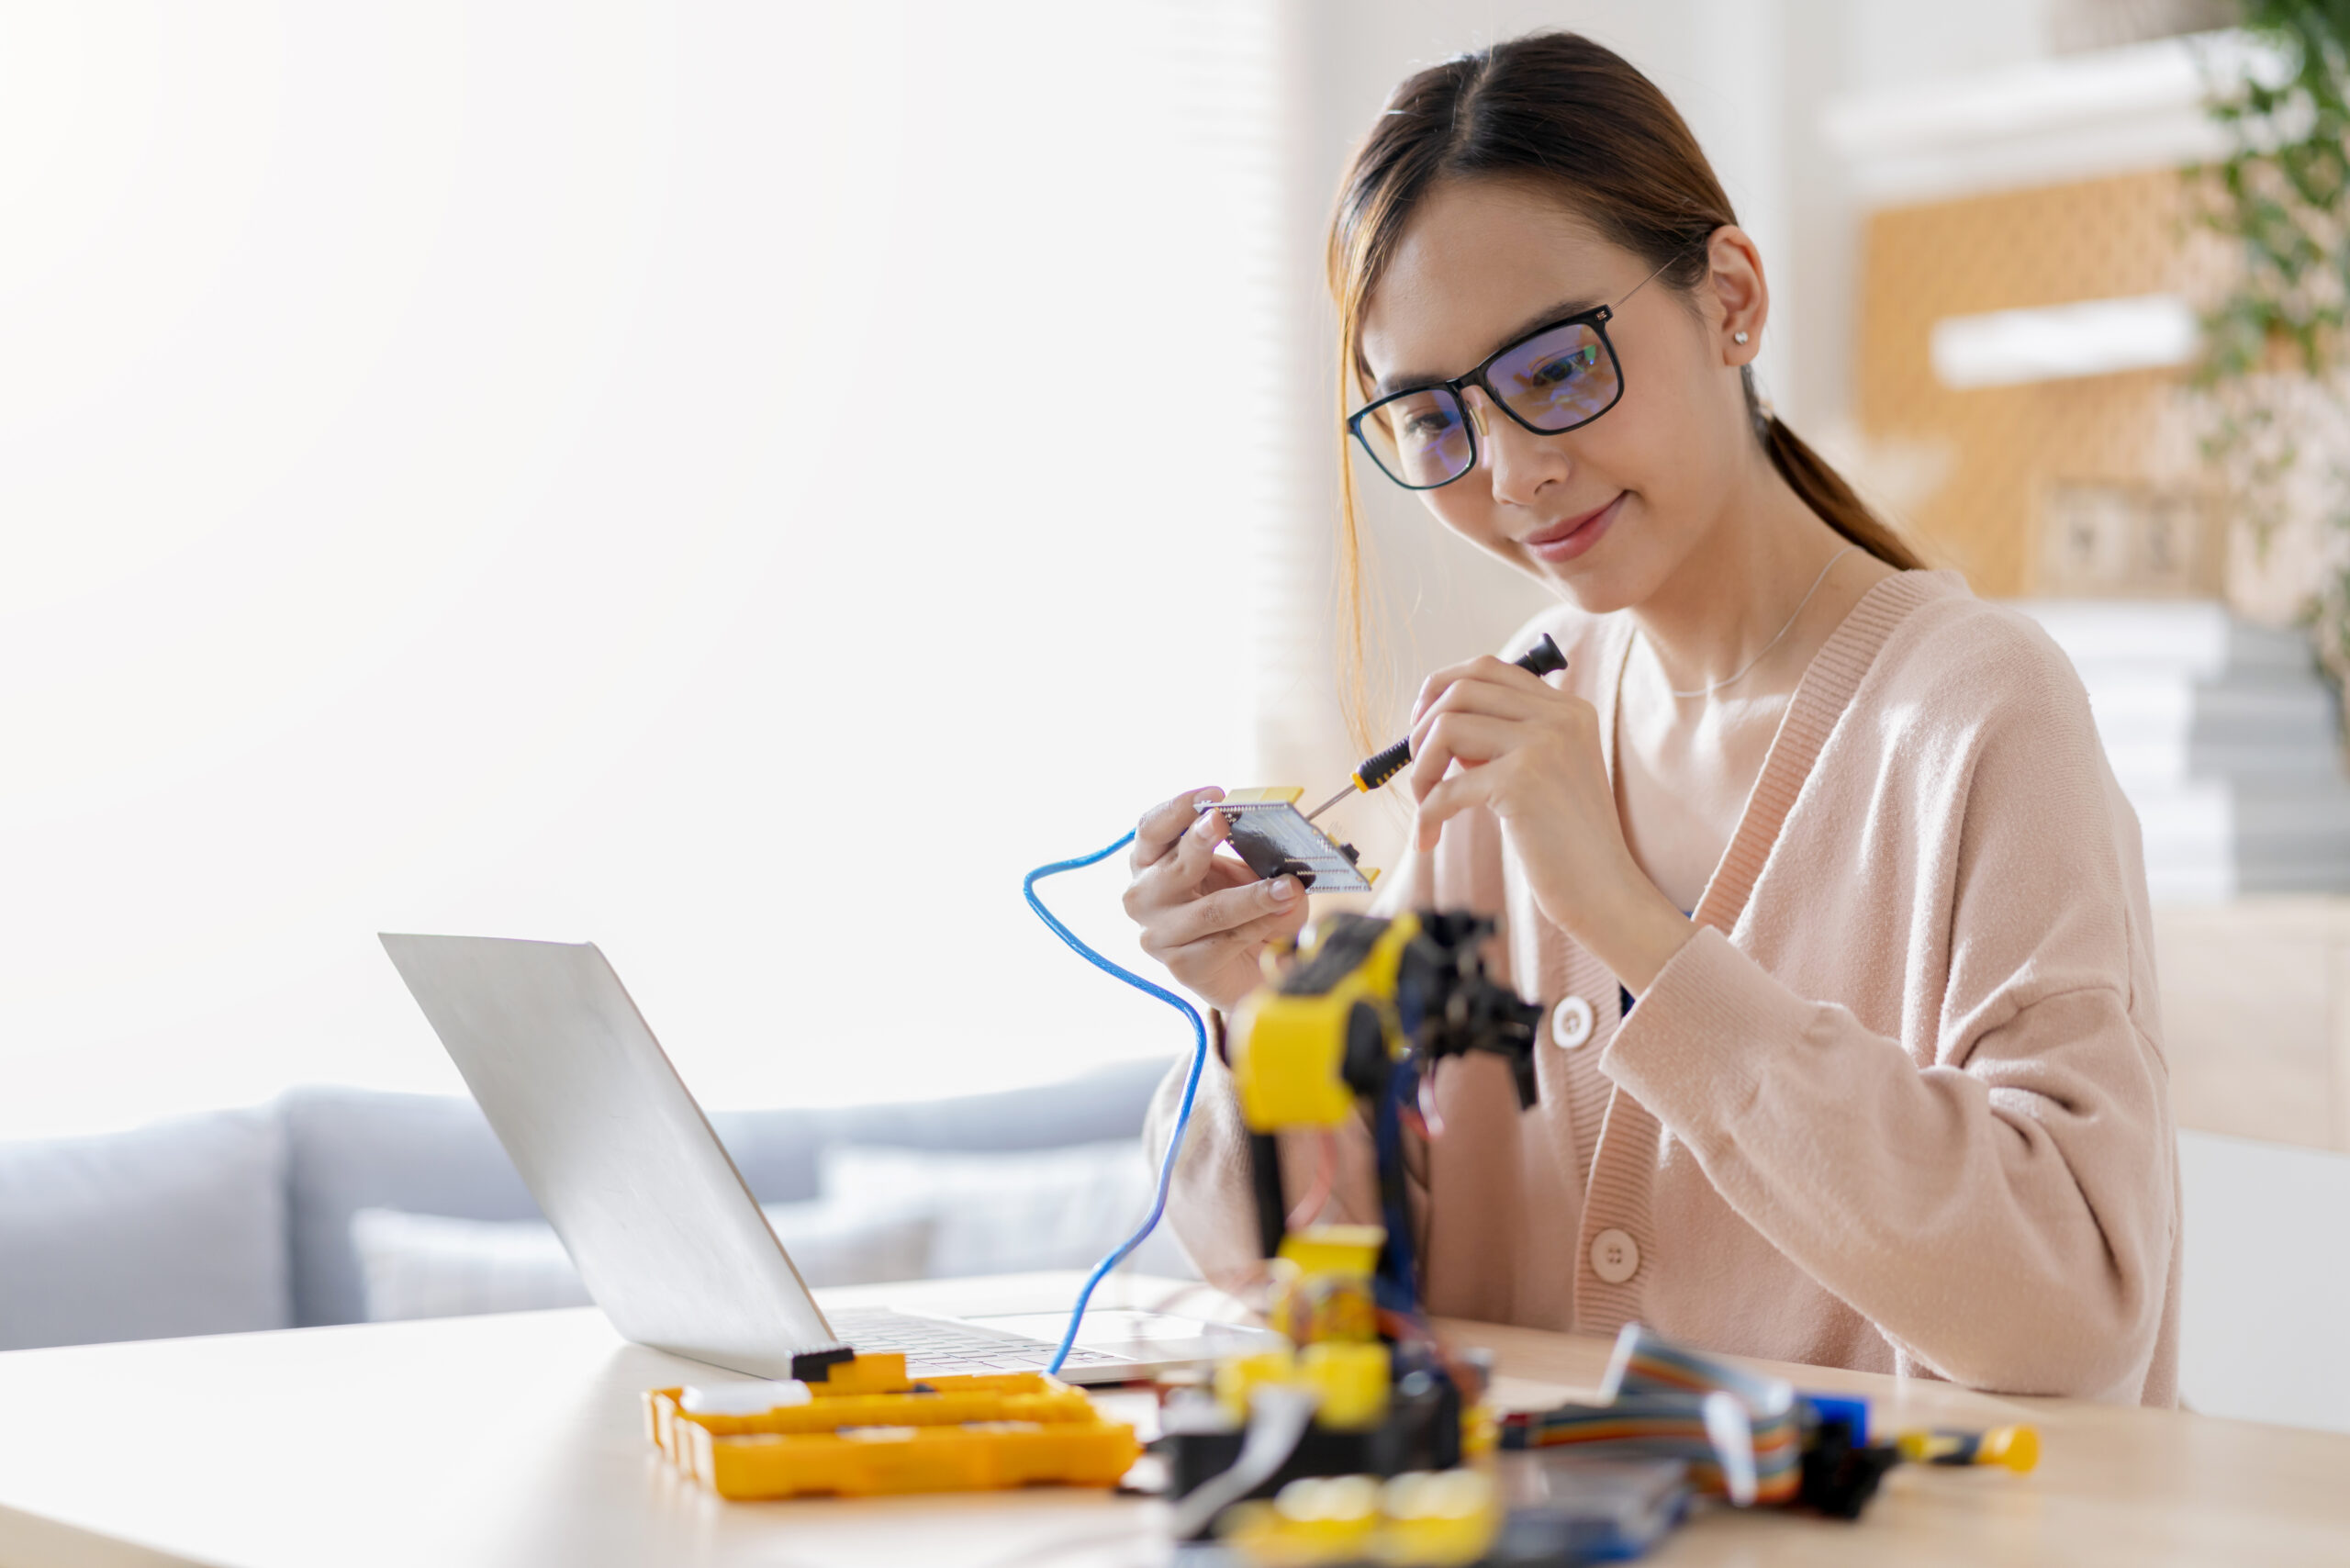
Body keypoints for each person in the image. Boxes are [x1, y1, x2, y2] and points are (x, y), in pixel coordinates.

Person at [1121, 31, 2178, 1404]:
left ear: (1730, 299)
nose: (1512, 473)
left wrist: (1628, 925)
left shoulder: (1978, 715)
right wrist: (1253, 1011)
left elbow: (2073, 1313)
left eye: (1556, 367)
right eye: (1433, 420)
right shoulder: (1510, 730)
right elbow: (1320, 1273)